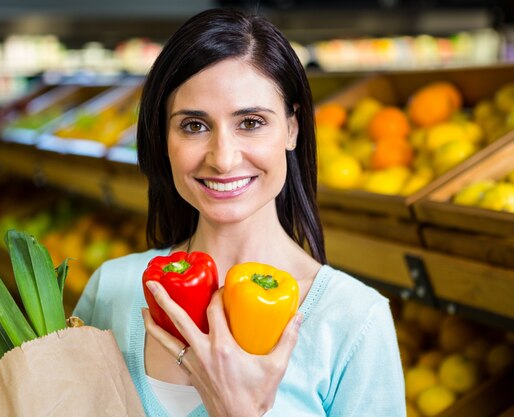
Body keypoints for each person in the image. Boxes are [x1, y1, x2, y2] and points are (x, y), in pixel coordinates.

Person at [74, 8, 405, 417]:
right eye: (194, 125)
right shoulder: (110, 291)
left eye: (250, 122)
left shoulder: (354, 322)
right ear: (162, 137)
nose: (224, 159)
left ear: (292, 128)